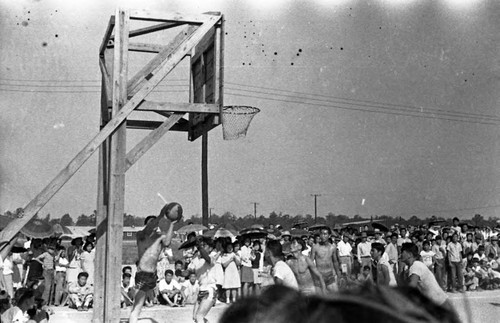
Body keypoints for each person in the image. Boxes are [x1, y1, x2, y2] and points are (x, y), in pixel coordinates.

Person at [129, 202, 181, 323]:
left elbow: (167, 242)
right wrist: (161, 214)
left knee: (141, 305)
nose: (154, 226)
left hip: (152, 274)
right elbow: (150, 227)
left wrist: (172, 224)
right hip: (143, 273)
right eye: (152, 224)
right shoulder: (141, 235)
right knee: (137, 306)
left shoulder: (159, 238)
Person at [401, 243, 451, 309]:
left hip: (439, 306)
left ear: (409, 254)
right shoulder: (415, 266)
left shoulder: (415, 266)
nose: (400, 254)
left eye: (402, 252)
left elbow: (411, 287)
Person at [188, 237, 219, 323]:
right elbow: (189, 272)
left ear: (210, 248)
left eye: (204, 245)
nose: (202, 247)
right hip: (201, 290)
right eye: (202, 245)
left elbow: (207, 257)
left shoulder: (212, 256)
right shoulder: (196, 258)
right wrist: (180, 272)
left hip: (210, 289)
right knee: (195, 317)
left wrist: (198, 246)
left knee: (199, 316)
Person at [310, 228, 340, 293]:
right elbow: (311, 262)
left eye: (325, 234)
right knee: (320, 298)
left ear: (329, 236)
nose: (323, 236)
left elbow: (335, 262)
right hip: (319, 276)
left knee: (336, 296)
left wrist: (338, 274)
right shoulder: (315, 247)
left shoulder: (332, 247)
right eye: (321, 234)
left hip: (330, 276)